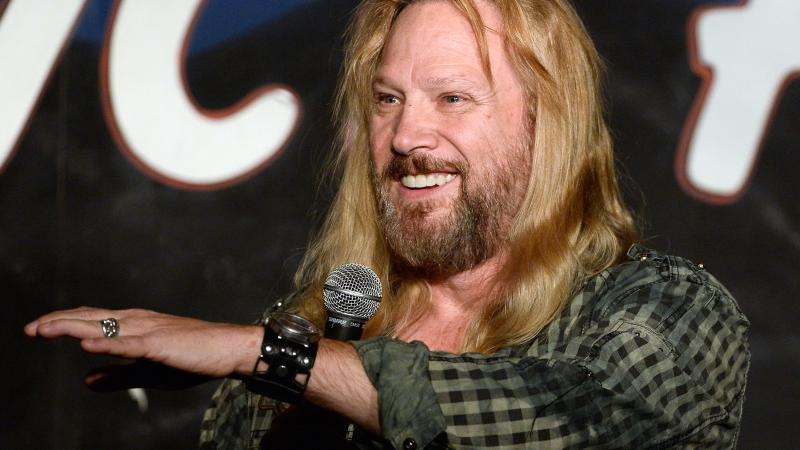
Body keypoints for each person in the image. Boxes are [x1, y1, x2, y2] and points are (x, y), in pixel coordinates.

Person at [25, 0, 750, 448]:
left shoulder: (664, 314)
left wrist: (277, 358)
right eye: (388, 99)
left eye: (452, 98)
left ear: (545, 122)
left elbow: (552, 423)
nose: (406, 136)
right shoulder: (319, 321)